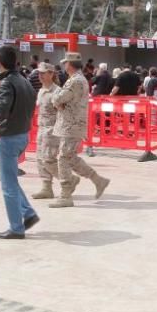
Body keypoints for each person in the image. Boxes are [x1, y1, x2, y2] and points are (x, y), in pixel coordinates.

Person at [0, 45, 39, 238]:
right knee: (9, 179)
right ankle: (27, 213)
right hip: (22, 134)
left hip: (10, 137)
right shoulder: (24, 80)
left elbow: (0, 111)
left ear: (0, 62)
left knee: (8, 184)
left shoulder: (6, 83)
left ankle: (16, 227)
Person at [50, 52, 110, 208]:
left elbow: (57, 99)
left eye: (65, 63)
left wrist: (57, 100)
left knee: (63, 158)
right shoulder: (77, 79)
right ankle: (98, 180)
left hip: (71, 124)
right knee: (69, 157)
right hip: (71, 124)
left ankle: (65, 195)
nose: (64, 66)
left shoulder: (75, 81)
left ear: (69, 64)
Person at [32, 62, 61, 201]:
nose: (40, 76)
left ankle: (67, 180)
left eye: (43, 73)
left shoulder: (58, 92)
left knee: (48, 159)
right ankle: (46, 188)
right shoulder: (42, 90)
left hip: (52, 130)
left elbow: (64, 114)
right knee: (40, 159)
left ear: (51, 74)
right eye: (39, 73)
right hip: (42, 128)